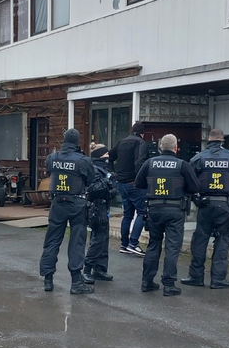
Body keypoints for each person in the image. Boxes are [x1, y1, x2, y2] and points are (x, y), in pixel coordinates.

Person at [181, 128, 229, 289]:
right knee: (223, 240)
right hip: (224, 204)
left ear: (208, 140)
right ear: (222, 141)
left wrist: (194, 199)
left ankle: (196, 276)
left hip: (205, 205)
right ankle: (218, 279)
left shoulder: (199, 158)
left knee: (200, 239)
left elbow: (188, 180)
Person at [134, 134, 200, 297]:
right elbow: (195, 186)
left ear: (160, 147)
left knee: (154, 245)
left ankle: (147, 282)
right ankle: (169, 284)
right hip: (174, 210)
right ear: (176, 147)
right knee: (172, 247)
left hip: (154, 209)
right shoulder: (181, 165)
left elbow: (138, 183)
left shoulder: (150, 163)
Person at [39, 128, 95, 294]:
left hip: (57, 204)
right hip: (77, 204)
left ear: (64, 141)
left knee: (52, 241)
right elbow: (91, 180)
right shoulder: (83, 160)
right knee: (76, 243)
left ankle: (48, 280)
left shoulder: (52, 158)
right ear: (77, 142)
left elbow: (49, 171)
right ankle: (76, 283)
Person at [109, 122, 149, 256]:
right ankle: (133, 243)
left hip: (122, 183)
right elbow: (140, 163)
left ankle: (124, 244)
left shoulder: (121, 142)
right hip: (134, 183)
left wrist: (114, 173)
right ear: (142, 134)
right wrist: (141, 181)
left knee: (127, 214)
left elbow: (109, 157)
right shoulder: (140, 143)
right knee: (142, 213)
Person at [83, 143, 117, 284]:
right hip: (97, 207)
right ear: (101, 156)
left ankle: (100, 269)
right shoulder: (95, 169)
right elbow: (93, 189)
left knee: (103, 239)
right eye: (106, 155)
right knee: (98, 239)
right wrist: (109, 186)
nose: (108, 157)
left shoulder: (103, 169)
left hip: (103, 207)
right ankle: (87, 269)